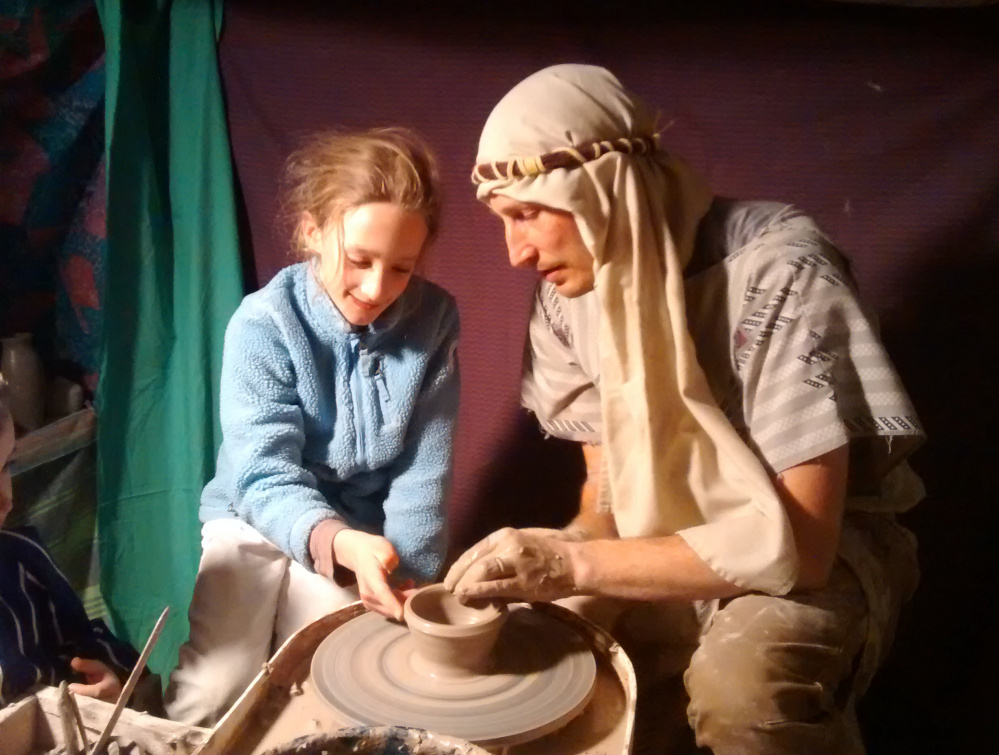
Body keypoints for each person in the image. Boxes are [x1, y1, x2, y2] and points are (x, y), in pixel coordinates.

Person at [444, 64, 924, 754]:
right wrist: (564, 551)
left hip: (827, 544)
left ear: (601, 186)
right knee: (546, 659)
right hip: (667, 529)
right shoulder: (567, 297)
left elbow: (805, 547)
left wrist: (574, 567)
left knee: (740, 689)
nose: (515, 252)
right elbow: (606, 499)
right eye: (502, 221)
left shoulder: (780, 273)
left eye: (525, 214)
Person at [164, 128, 460, 727]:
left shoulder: (434, 319)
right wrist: (336, 542)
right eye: (359, 260)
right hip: (251, 515)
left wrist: (408, 578)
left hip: (360, 534)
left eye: (402, 268)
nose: (377, 288)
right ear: (311, 231)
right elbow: (263, 475)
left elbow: (423, 473)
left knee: (330, 680)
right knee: (217, 687)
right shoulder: (263, 322)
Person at [0, 377, 142, 707]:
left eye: (6, 465)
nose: (6, 499)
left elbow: (86, 647)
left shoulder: (22, 562)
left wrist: (110, 683)